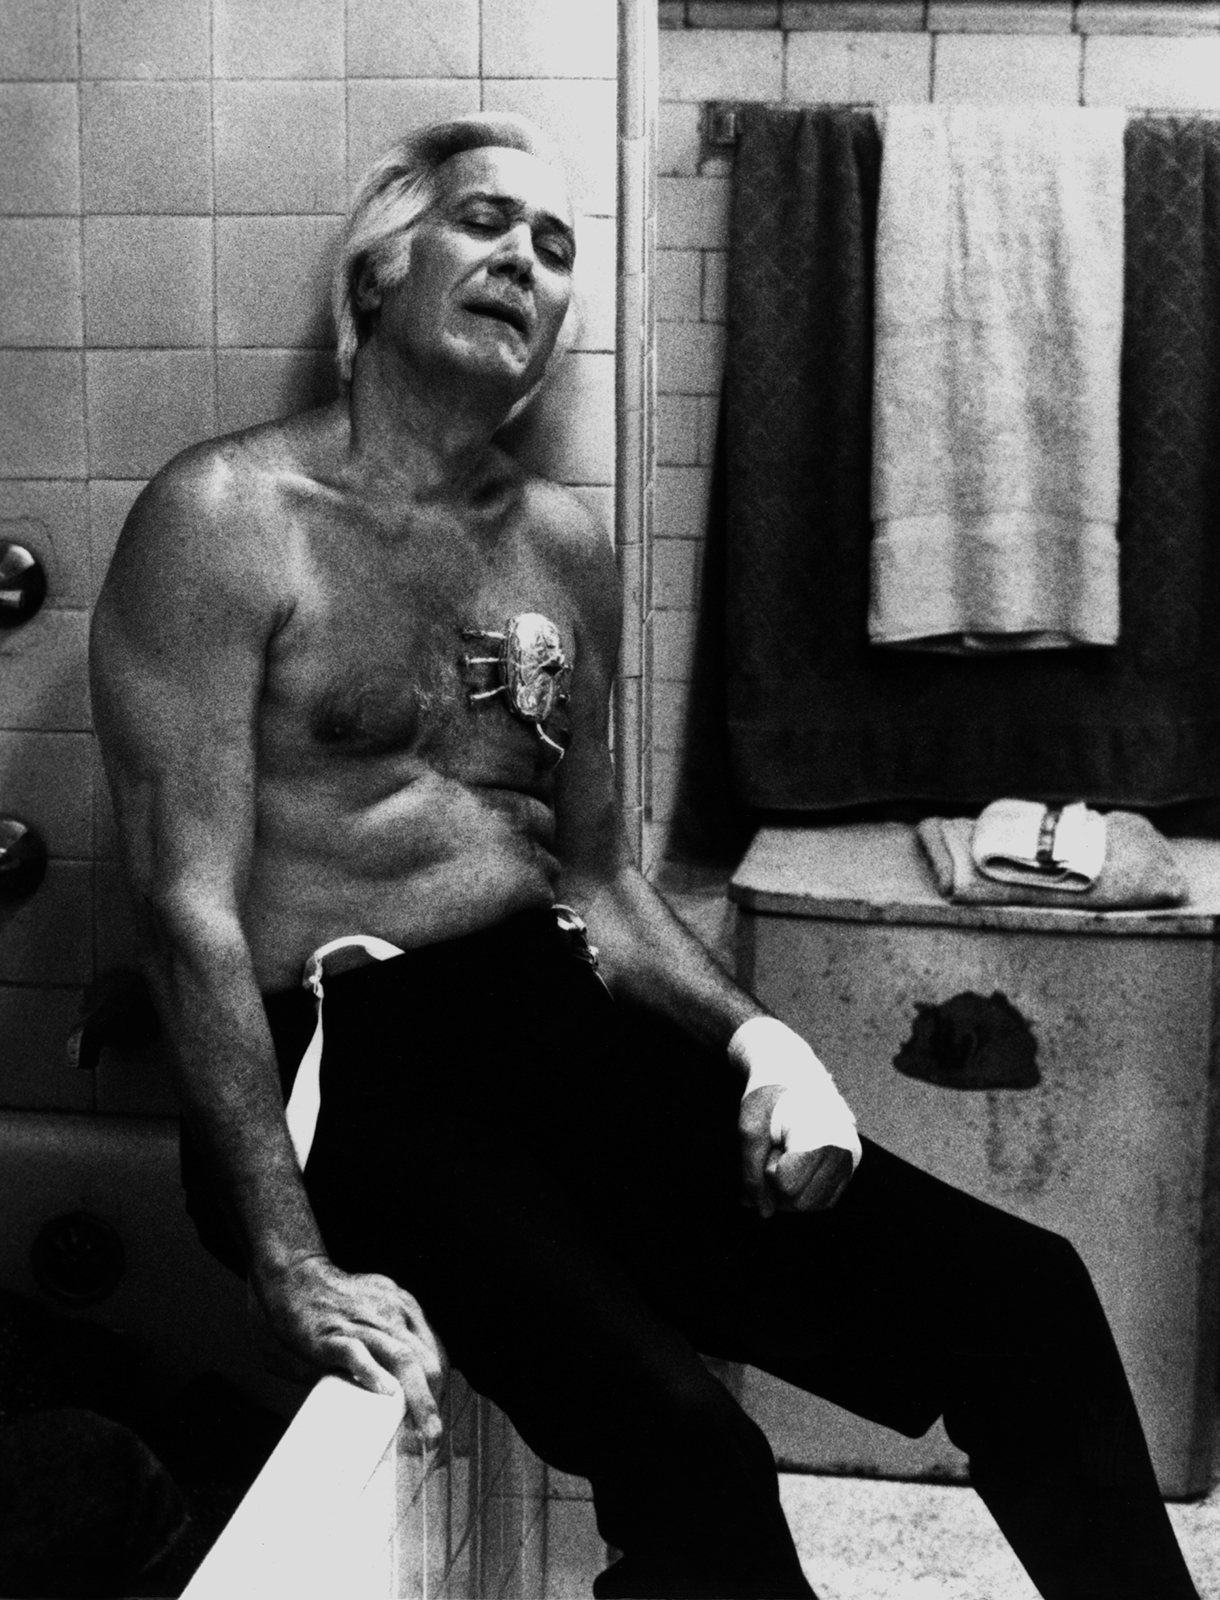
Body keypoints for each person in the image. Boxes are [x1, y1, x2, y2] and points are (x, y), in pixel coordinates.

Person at [89, 113, 1200, 1600]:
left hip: (551, 1026)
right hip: (346, 1067)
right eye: (486, 223)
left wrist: (765, 1044)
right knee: (692, 1447)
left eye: (555, 250)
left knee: (1023, 1298)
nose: (526, 263)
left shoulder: (559, 546)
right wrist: (287, 1253)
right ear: (377, 273)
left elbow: (601, 880)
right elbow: (186, 913)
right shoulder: (225, 520)